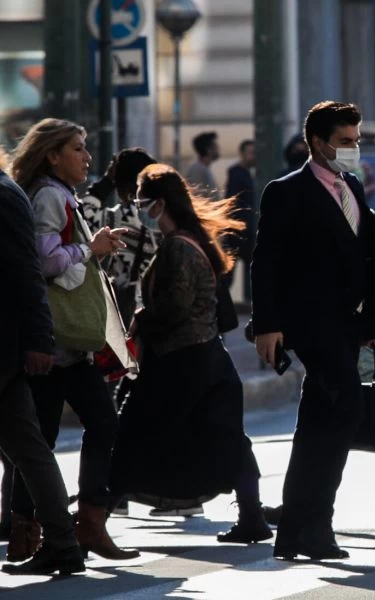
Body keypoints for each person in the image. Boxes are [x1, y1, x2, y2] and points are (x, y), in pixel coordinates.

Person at [251, 101, 375, 561]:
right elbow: (267, 260)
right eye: (345, 141)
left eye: (356, 141)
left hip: (348, 324)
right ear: (317, 143)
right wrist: (268, 326)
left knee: (319, 421)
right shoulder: (286, 191)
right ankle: (315, 525)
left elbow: (369, 251)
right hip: (309, 323)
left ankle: (297, 532)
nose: (353, 149)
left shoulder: (352, 186)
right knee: (345, 410)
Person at [109, 164, 271, 545]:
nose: (138, 210)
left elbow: (175, 307)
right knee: (229, 439)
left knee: (133, 431)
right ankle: (252, 516)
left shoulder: (179, 247)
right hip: (206, 358)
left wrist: (140, 318)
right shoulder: (189, 241)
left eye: (142, 202)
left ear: (160, 204)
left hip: (181, 361)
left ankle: (94, 516)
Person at [8, 118, 139, 562]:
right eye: (78, 149)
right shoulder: (48, 195)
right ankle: (36, 534)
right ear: (52, 155)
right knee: (39, 441)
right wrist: (91, 249)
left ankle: (85, 523)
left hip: (69, 343)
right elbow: (43, 262)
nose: (87, 158)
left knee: (88, 427)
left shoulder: (61, 195)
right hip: (55, 340)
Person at [0, 148, 85, 576]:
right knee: (29, 449)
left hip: (4, 346)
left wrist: (38, 339)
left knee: (29, 449)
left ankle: (62, 540)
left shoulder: (4, 195)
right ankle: (63, 543)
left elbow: (27, 273)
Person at [80, 149, 160, 326]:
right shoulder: (161, 211)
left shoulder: (125, 217)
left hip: (133, 312)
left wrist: (107, 181)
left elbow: (86, 216)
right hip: (159, 307)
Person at [226, 139, 257, 301]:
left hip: (245, 229)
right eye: (251, 152)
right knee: (231, 269)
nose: (253, 156)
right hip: (238, 229)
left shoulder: (246, 173)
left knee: (247, 268)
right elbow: (234, 200)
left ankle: (247, 301)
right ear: (243, 154)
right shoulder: (237, 173)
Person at [185, 131, 221, 199]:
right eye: (215, 146)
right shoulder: (197, 170)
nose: (218, 148)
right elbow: (197, 197)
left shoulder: (204, 168)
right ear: (208, 149)